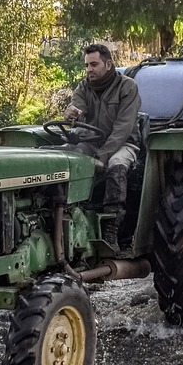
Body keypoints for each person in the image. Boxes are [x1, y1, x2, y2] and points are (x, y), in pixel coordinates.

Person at [64, 43, 141, 243]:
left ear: (108, 64)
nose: (89, 69)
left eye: (94, 64)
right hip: (92, 142)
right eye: (87, 65)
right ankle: (68, 216)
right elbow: (78, 108)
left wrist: (103, 155)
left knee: (116, 166)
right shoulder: (83, 87)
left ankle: (111, 228)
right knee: (68, 160)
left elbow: (123, 128)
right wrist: (73, 113)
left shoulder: (127, 87)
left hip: (124, 143)